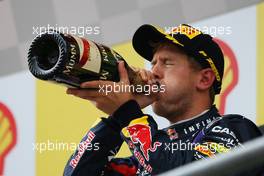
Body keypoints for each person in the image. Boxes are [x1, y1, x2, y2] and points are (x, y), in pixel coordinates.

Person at [63, 24, 262, 176]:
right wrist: (115, 121)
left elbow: (184, 170)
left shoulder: (235, 129)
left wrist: (127, 113)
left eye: (167, 63)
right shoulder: (142, 162)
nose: (154, 71)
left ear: (204, 79)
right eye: (153, 63)